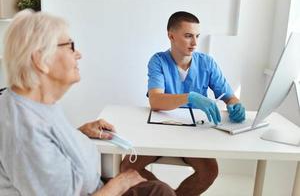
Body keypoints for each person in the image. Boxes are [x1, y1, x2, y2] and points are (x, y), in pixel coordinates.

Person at [0, 10, 176, 196]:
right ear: (40, 59)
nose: (78, 54)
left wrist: (78, 134)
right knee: (160, 191)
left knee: (159, 190)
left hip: (93, 186)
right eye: (70, 46)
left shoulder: (36, 104)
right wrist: (121, 183)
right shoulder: (24, 129)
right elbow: (33, 148)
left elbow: (45, 153)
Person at [121, 11, 246, 196]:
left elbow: (229, 96)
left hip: (193, 133)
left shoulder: (207, 63)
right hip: (160, 132)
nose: (195, 43)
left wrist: (236, 105)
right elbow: (155, 100)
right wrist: (190, 97)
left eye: (197, 36)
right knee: (127, 167)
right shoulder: (158, 61)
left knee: (209, 171)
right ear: (171, 36)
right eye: (188, 36)